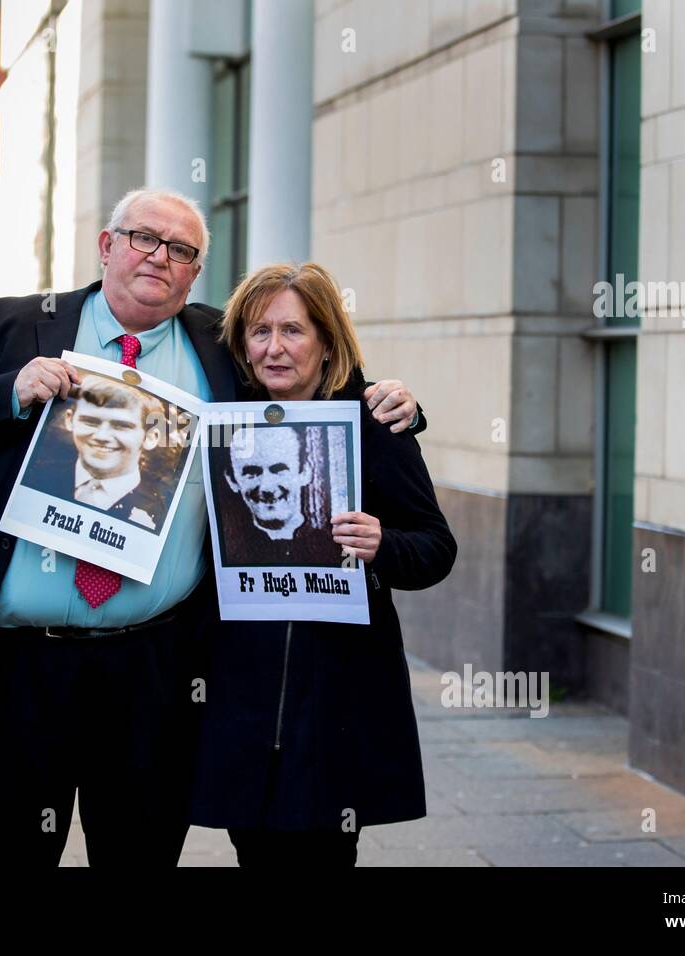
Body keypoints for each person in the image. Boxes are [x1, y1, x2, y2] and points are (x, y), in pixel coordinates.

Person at [0, 188, 422, 868]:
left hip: (156, 674)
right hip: (14, 669)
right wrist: (10, 392)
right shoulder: (14, 325)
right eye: (143, 238)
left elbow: (312, 381)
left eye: (181, 250)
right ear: (107, 246)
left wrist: (395, 404)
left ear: (195, 271)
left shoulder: (222, 346)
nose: (159, 258)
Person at [189, 261, 457, 867]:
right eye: (260, 332)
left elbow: (436, 549)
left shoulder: (373, 425)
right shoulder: (221, 421)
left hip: (336, 703)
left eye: (293, 331)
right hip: (242, 700)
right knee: (254, 854)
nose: (274, 348)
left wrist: (383, 543)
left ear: (327, 340)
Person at [22, 375, 170, 531]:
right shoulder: (34, 476)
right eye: (90, 421)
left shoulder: (160, 514)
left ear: (150, 437)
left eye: (121, 426)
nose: (102, 436)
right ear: (70, 420)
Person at [219, 424, 343, 565]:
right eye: (252, 473)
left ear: (305, 472)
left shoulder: (334, 547)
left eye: (279, 470)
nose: (267, 487)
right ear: (232, 480)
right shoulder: (227, 549)